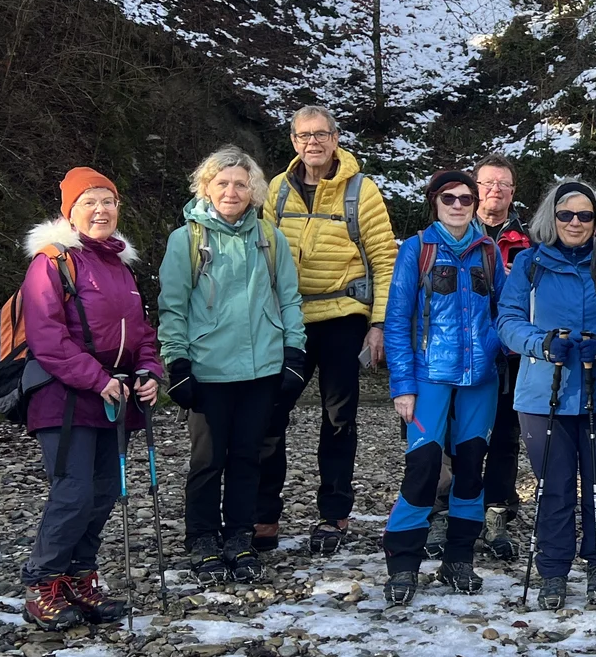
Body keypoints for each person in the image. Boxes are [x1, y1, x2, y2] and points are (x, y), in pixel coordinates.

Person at [19, 167, 162, 629]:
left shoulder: (120, 267)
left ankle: (80, 578)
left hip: (113, 396)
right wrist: (97, 378)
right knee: (75, 491)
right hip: (63, 398)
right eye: (90, 202)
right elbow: (47, 336)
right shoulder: (51, 261)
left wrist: (150, 372)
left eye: (109, 201)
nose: (101, 210)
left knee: (103, 492)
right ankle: (43, 583)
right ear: (70, 211)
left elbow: (142, 334)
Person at [158, 147, 307, 584]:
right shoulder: (185, 239)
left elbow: (289, 299)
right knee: (207, 460)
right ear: (206, 187)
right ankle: (202, 537)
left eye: (240, 183)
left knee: (248, 458)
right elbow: (172, 306)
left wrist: (294, 353)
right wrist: (177, 361)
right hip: (208, 370)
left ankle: (239, 535)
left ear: (253, 190)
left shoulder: (270, 237)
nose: (231, 191)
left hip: (262, 369)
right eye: (222, 183)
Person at [257, 105, 398, 556]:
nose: (312, 143)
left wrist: (378, 324)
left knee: (338, 420)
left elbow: (384, 260)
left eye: (321, 135)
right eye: (303, 136)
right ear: (293, 142)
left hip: (342, 316)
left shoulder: (362, 190)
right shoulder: (277, 190)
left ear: (336, 139)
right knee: (270, 415)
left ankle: (333, 514)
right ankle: (263, 516)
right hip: (287, 319)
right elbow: (259, 257)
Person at [497, 182, 596, 609]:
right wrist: (541, 344)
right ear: (551, 218)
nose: (575, 223)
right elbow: (508, 321)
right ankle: (553, 571)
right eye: (566, 215)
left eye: (585, 216)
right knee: (553, 487)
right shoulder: (529, 264)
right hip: (543, 394)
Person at [377, 170, 504, 602]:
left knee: (471, 470)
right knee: (424, 470)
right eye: (448, 197)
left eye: (466, 198)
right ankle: (403, 565)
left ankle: (458, 560)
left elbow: (504, 311)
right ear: (434, 201)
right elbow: (397, 322)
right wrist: (402, 386)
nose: (457, 205)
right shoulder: (416, 250)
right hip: (429, 376)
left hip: (480, 379)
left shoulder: (489, 250)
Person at [476, 154, 532, 561]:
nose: (495, 190)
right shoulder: (452, 229)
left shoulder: (530, 240)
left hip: (512, 350)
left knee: (506, 435)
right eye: (488, 183)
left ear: (513, 192)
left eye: (503, 184)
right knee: (456, 432)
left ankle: (498, 511)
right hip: (463, 347)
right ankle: (451, 509)